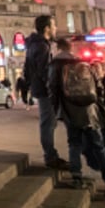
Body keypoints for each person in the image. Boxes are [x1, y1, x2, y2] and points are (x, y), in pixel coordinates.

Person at [47, 38, 105, 196]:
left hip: (69, 109)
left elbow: (53, 88)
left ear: (58, 48)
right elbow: (98, 86)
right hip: (89, 110)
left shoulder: (56, 65)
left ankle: (77, 177)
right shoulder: (83, 63)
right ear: (70, 48)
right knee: (99, 146)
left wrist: (57, 109)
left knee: (74, 143)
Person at [22, 15, 69, 170]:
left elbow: (27, 69)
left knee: (49, 122)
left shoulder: (34, 45)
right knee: (48, 123)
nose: (55, 28)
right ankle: (50, 156)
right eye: (53, 25)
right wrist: (51, 89)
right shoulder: (41, 46)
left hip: (39, 88)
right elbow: (44, 71)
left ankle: (51, 154)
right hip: (44, 90)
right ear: (47, 28)